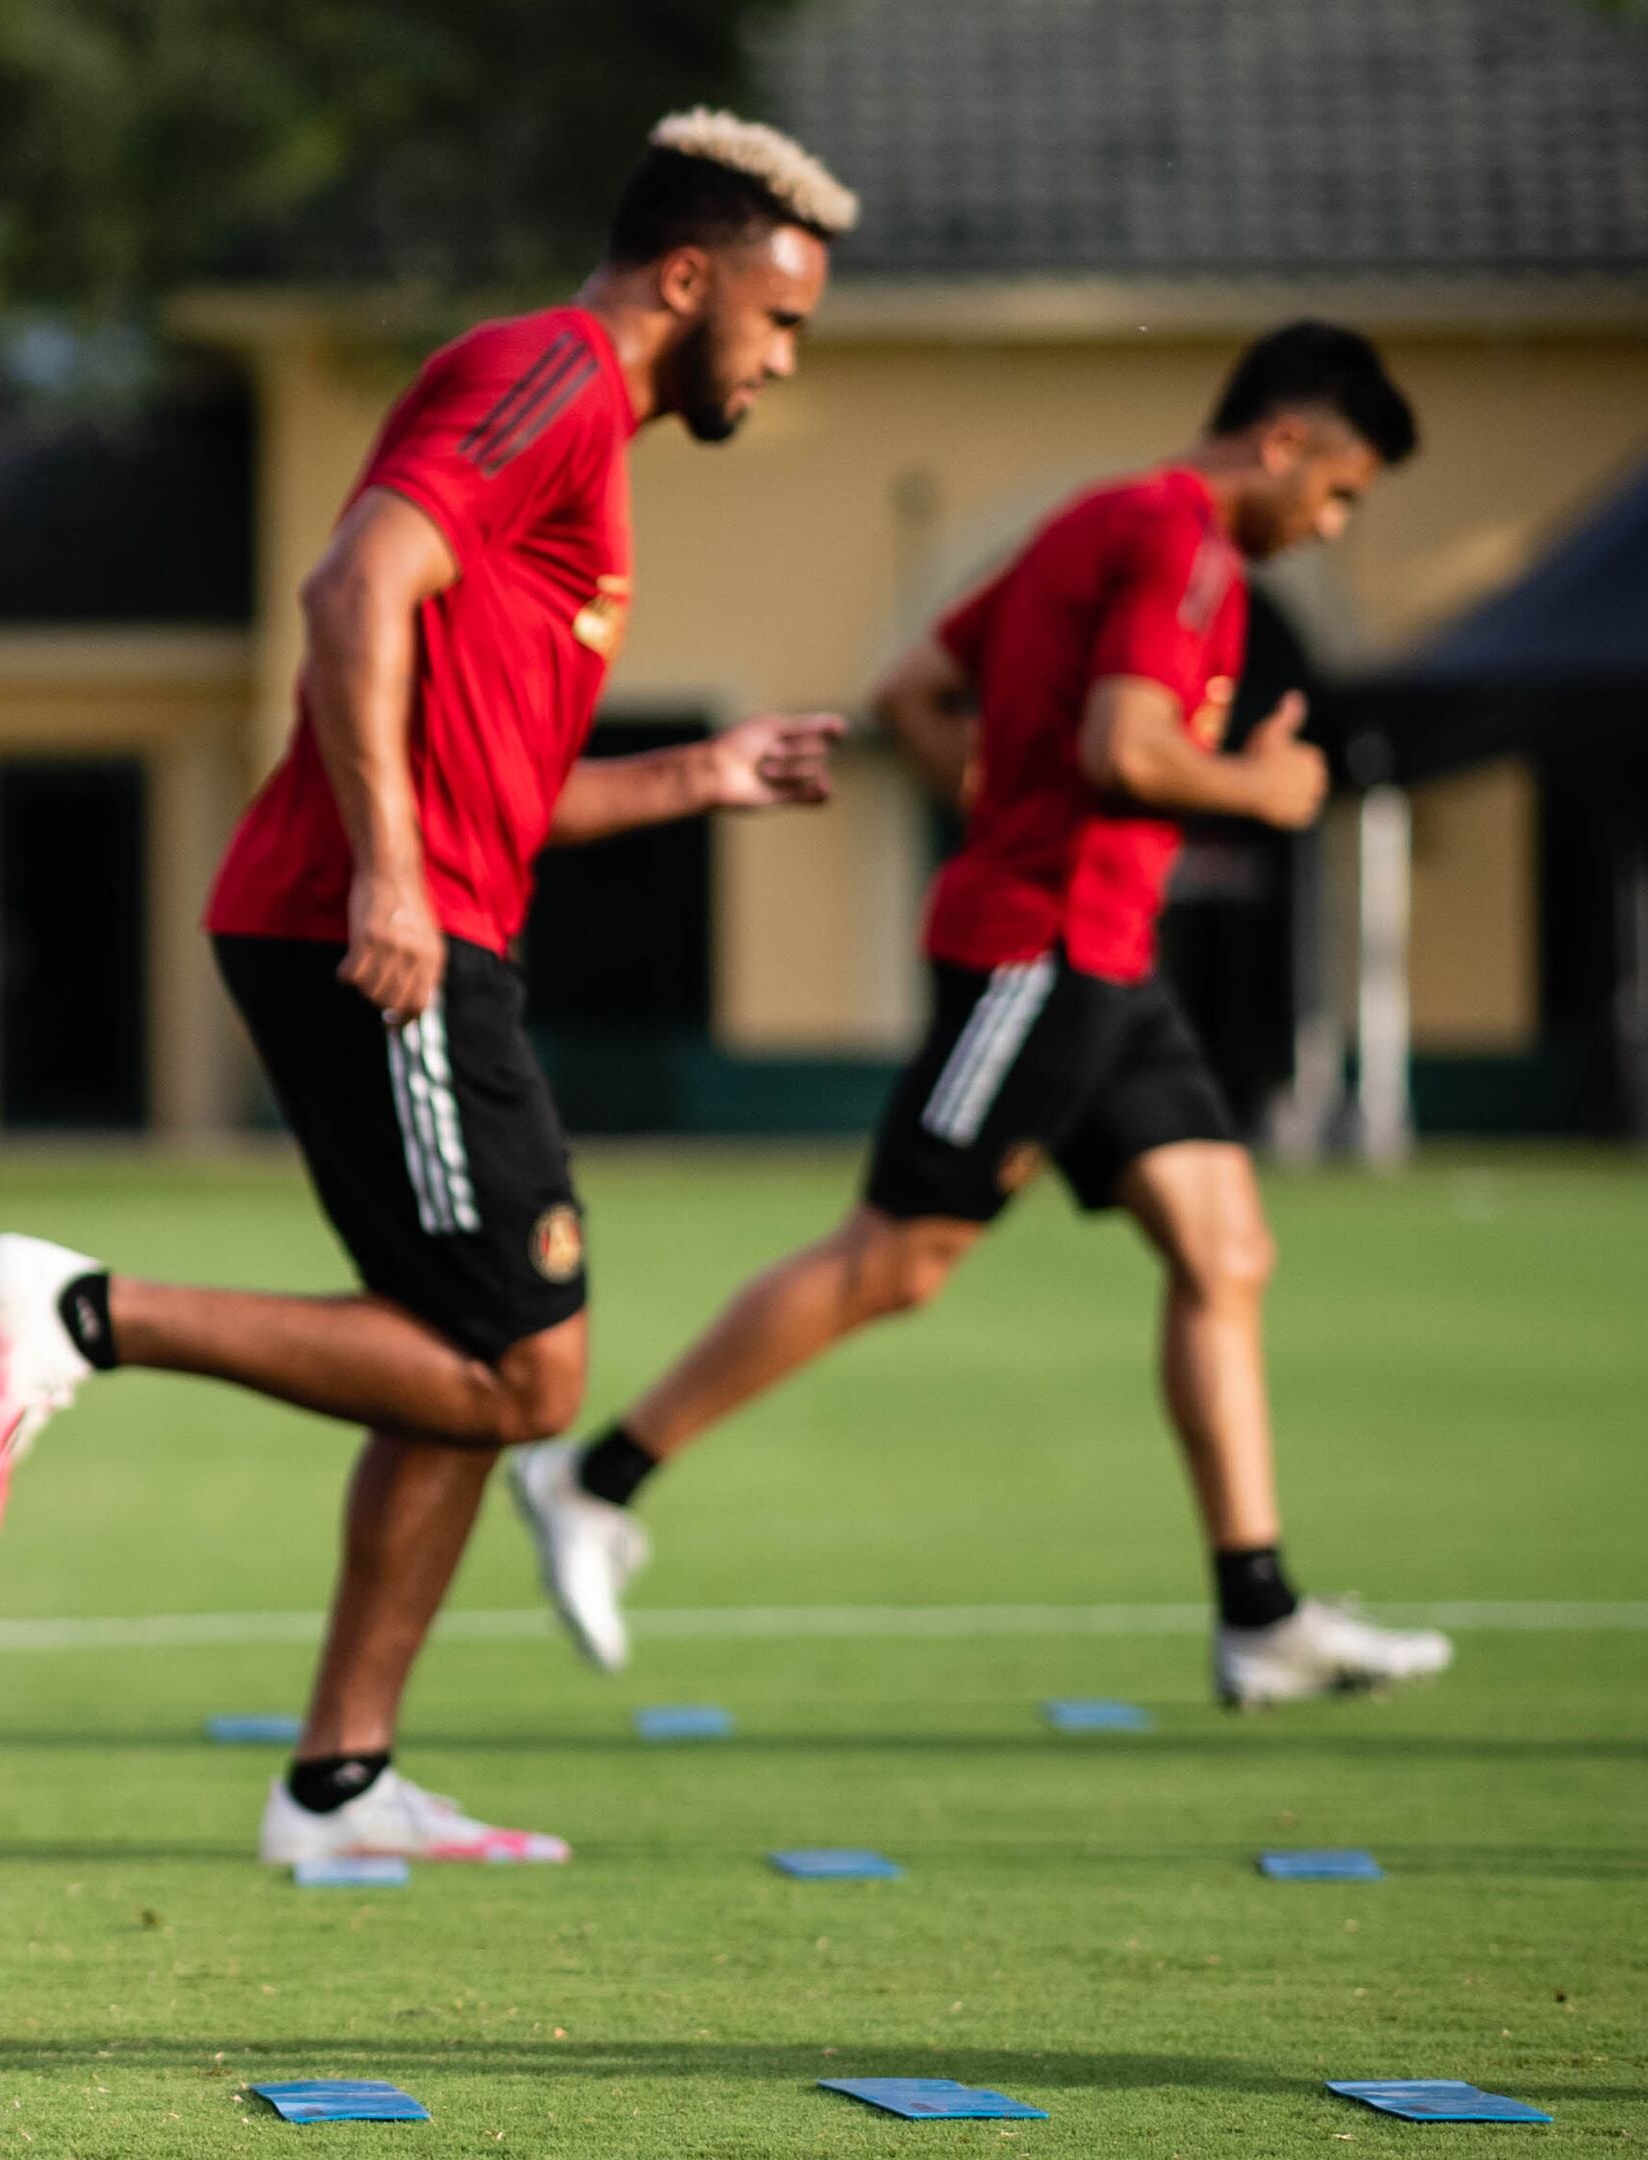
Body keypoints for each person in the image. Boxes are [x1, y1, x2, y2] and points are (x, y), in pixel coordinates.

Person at [0, 111, 854, 1867]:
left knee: (449, 1354)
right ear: (692, 277)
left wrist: (703, 776)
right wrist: (387, 869)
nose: (787, 353)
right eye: (784, 316)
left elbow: (507, 790)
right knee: (527, 1370)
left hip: (410, 916)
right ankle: (78, 1314)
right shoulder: (555, 377)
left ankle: (339, 1787)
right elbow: (354, 581)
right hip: (375, 930)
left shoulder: (593, 443)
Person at [513, 323, 1455, 1712]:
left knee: (1224, 1245)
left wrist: (1013, 808)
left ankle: (1260, 1613)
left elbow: (914, 692)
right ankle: (593, 1480)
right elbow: (1123, 751)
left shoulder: (1098, 519)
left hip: (1107, 961)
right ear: (1286, 440)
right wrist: (1262, 792)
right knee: (898, 1260)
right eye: (1340, 494)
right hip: (1044, 951)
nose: (1328, 526)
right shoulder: (1181, 542)